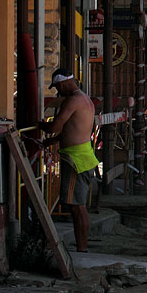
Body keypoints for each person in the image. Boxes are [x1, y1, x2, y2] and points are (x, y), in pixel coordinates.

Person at [38, 69, 98, 252]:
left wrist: (39, 124)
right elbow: (73, 129)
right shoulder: (85, 100)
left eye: (57, 87)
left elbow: (56, 126)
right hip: (84, 157)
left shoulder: (72, 101)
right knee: (79, 206)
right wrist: (52, 141)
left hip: (75, 160)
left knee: (76, 208)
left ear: (63, 83)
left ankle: (82, 248)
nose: (57, 92)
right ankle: (82, 247)